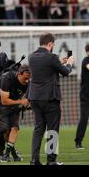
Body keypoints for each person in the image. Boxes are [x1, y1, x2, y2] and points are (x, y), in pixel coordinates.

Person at [28, 32, 74, 165]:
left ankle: (34, 160)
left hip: (35, 97)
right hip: (50, 98)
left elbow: (45, 69)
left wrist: (59, 62)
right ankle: (51, 160)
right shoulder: (52, 57)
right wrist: (69, 63)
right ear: (50, 44)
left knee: (38, 129)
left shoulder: (32, 57)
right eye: (53, 44)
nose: (54, 46)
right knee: (52, 130)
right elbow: (65, 72)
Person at [0, 64, 31, 162]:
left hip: (14, 106)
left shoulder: (29, 82)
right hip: (1, 105)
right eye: (25, 78)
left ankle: (7, 155)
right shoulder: (7, 78)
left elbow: (27, 98)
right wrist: (21, 102)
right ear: (19, 74)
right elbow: (4, 101)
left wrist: (28, 104)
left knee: (15, 128)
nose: (27, 81)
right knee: (6, 131)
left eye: (29, 78)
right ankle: (14, 154)